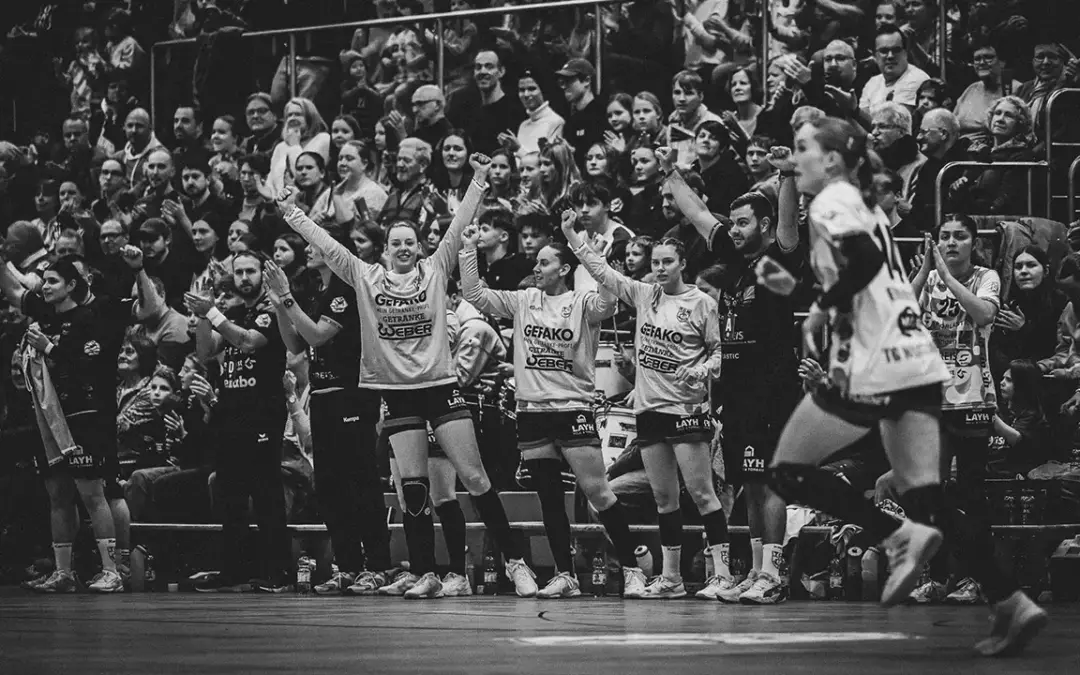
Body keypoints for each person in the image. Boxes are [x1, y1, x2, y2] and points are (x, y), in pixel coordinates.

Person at [755, 115, 1046, 656]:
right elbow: (849, 266)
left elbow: (862, 264)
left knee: (786, 474)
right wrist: (807, 286)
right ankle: (1011, 601)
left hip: (876, 365)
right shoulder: (861, 205)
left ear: (833, 159)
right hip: (918, 363)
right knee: (926, 501)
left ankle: (894, 536)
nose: (793, 157)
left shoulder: (835, 200)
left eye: (802, 148)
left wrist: (819, 307)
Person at [276, 153, 539, 600]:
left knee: (475, 478)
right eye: (395, 242)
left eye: (409, 242)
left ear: (419, 247)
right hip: (398, 395)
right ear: (385, 249)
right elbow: (329, 244)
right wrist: (292, 213)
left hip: (440, 389)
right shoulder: (365, 277)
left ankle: (516, 563)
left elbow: (458, 225)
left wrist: (478, 179)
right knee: (413, 489)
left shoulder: (435, 270)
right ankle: (426, 572)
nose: (403, 248)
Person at [459, 223, 645, 599]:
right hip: (532, 412)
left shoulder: (583, 303)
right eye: (537, 262)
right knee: (549, 498)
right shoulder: (524, 300)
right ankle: (565, 574)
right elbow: (474, 294)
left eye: (545, 262)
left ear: (564, 269)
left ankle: (632, 569)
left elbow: (610, 302)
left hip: (573, 408)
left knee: (599, 493)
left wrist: (592, 255)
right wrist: (468, 251)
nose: (537, 267)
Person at [563, 217, 730, 600]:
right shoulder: (644, 295)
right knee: (664, 499)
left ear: (682, 263)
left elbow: (719, 353)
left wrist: (701, 369)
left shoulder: (702, 304)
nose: (660, 268)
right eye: (655, 262)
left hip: (686, 411)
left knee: (703, 495)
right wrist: (572, 236)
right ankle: (670, 579)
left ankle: (722, 575)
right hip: (650, 412)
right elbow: (602, 272)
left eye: (668, 262)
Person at [261, 238, 392, 596]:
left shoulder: (346, 291)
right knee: (331, 488)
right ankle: (348, 566)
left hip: (352, 396)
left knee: (361, 483)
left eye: (315, 244)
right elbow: (296, 344)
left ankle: (378, 566)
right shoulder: (317, 292)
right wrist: (280, 306)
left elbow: (318, 336)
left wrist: (287, 297)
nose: (308, 249)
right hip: (322, 399)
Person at [0, 258, 123, 593]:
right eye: (44, 280)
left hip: (83, 416)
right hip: (48, 418)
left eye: (53, 280)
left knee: (92, 493)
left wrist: (49, 347)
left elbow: (93, 366)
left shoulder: (90, 317)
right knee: (57, 494)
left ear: (71, 285)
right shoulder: (43, 313)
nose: (46, 286)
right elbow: (12, 291)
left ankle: (111, 571)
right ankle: (63, 572)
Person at [184, 250, 292, 592]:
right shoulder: (232, 312)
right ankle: (235, 570)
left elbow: (247, 342)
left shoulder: (270, 310)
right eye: (239, 272)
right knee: (229, 496)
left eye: (251, 271)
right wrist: (202, 315)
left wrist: (211, 312)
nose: (244, 277)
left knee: (266, 493)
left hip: (263, 413)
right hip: (230, 413)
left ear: (263, 274)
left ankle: (279, 572)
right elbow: (205, 351)